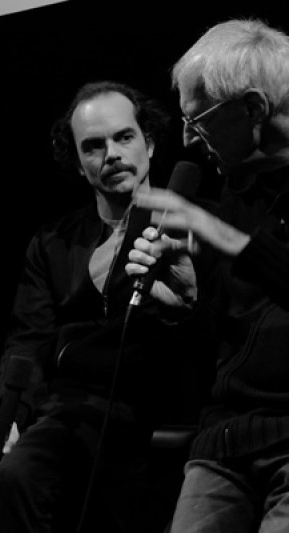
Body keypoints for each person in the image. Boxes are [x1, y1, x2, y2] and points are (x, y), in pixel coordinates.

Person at [0, 80, 189, 533]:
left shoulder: (182, 226)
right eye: (93, 146)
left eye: (123, 137)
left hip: (111, 402)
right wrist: (5, 415)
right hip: (43, 395)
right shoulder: (53, 241)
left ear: (148, 141)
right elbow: (28, 340)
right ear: (77, 163)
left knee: (17, 475)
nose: (110, 153)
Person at [125, 18, 288, 533]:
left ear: (253, 109)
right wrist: (190, 303)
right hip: (225, 441)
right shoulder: (237, 195)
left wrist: (221, 236)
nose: (191, 141)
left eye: (199, 121)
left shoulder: (223, 221)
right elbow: (230, 350)